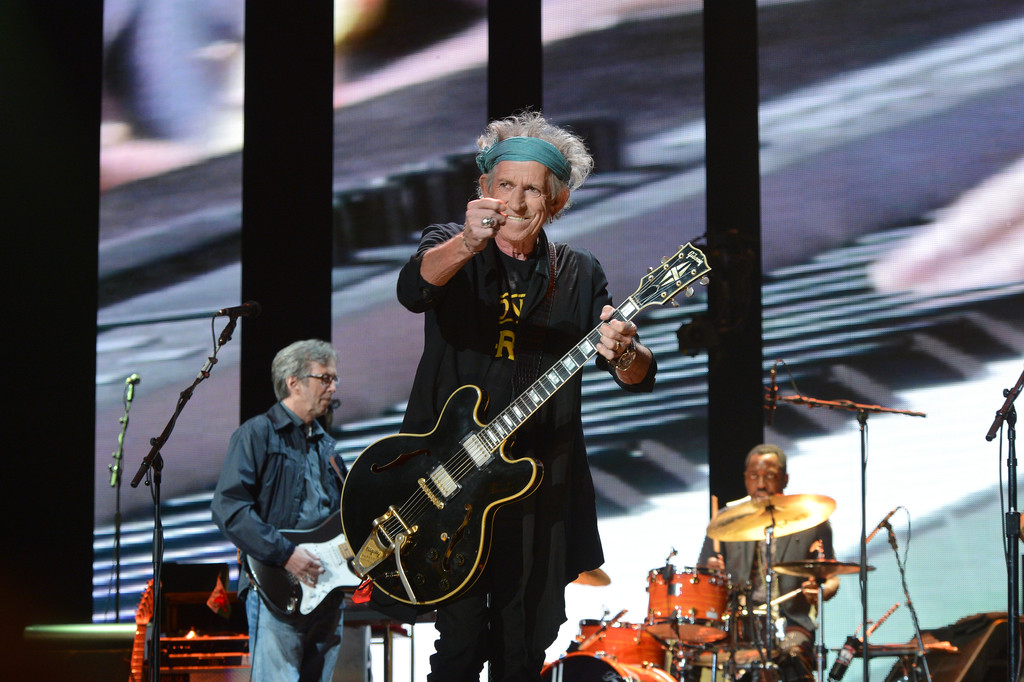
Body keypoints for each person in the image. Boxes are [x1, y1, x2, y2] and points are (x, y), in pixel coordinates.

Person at [395, 111, 658, 680]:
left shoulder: (579, 272)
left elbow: (638, 374)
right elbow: (414, 289)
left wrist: (624, 351)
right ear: (484, 189)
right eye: (505, 185)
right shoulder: (450, 246)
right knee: (460, 646)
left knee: (525, 647)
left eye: (533, 190)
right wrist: (468, 242)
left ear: (556, 202)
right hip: (453, 484)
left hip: (537, 487)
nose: (516, 202)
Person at [211, 339, 345, 681]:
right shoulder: (257, 434)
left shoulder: (328, 447)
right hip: (277, 588)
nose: (333, 387)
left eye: (334, 379)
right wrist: (286, 554)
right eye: (325, 378)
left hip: (328, 590)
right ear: (293, 382)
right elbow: (229, 508)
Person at [696, 443, 839, 681]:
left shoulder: (813, 520)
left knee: (792, 659)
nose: (761, 484)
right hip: (739, 622)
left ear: (785, 479)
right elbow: (701, 575)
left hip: (791, 622)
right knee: (696, 653)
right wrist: (711, 573)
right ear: (745, 479)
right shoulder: (726, 520)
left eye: (769, 476)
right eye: (754, 476)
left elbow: (832, 577)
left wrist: (821, 590)